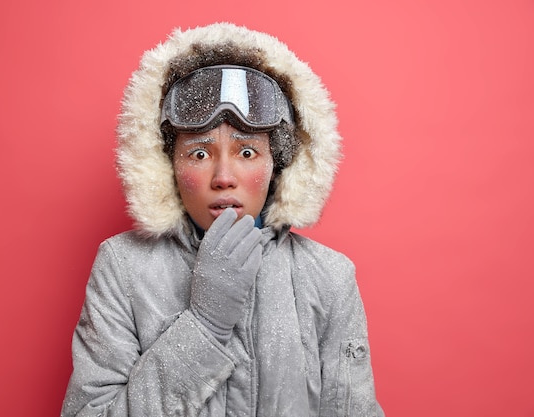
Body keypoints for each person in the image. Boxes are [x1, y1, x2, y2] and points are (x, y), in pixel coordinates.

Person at [62, 22, 385, 417]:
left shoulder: (329, 278)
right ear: (167, 164)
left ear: (278, 165)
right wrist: (204, 324)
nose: (223, 177)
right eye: (199, 153)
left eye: (247, 152)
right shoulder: (122, 268)